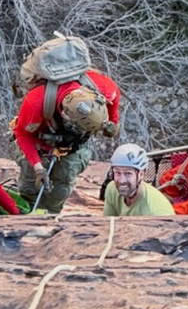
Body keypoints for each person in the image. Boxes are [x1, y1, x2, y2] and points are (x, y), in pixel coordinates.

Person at [14, 70, 121, 213]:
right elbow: (23, 135)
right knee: (30, 188)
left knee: (59, 191)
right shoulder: (36, 101)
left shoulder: (106, 89)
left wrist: (112, 122)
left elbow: (115, 97)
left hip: (73, 148)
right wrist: (38, 168)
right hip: (40, 143)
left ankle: (51, 215)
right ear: (65, 115)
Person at [103, 144, 175, 217]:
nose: (122, 181)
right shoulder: (112, 189)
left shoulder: (155, 212)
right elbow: (107, 224)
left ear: (141, 174)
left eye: (128, 173)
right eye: (117, 173)